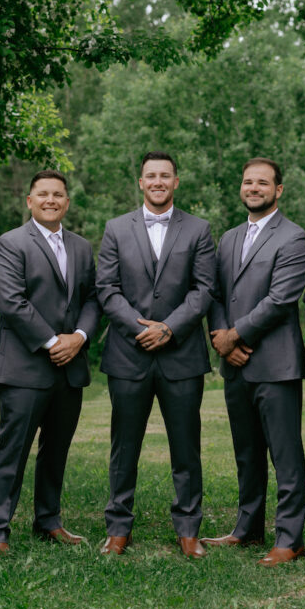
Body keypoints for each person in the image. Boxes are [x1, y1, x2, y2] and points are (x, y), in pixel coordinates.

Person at [96, 151, 215, 557]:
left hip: (181, 356)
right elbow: (107, 289)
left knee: (186, 446)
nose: (159, 181)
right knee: (123, 447)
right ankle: (118, 528)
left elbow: (203, 290)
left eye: (166, 175)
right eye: (151, 176)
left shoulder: (199, 229)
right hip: (128, 355)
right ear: (141, 182)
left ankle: (188, 530)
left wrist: (169, 328)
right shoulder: (115, 229)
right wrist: (138, 328)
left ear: (176, 182)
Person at [0, 171, 100, 553]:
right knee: (12, 449)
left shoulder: (82, 247)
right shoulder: (11, 244)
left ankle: (48, 521)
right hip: (25, 367)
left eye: (59, 195)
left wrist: (79, 338)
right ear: (30, 201)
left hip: (70, 367)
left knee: (57, 449)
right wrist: (53, 342)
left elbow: (93, 300)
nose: (51, 200)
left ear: (67, 202)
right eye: (43, 194)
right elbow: (12, 303)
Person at [204, 158, 305, 565]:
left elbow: (281, 299)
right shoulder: (228, 238)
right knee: (246, 453)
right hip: (235, 364)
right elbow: (215, 294)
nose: (254, 188)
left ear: (278, 190)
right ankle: (247, 529)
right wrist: (221, 339)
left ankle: (289, 538)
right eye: (248, 182)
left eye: (263, 183)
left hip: (276, 364)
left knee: (285, 455)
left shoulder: (294, 238)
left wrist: (237, 334)